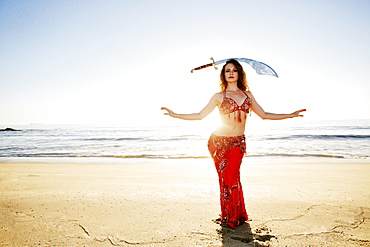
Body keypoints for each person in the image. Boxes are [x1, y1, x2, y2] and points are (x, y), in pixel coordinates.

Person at [161, 59, 306, 228]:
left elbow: (265, 114)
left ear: (239, 74)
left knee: (233, 178)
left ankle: (236, 214)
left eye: (234, 70)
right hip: (218, 143)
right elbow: (199, 115)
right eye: (227, 70)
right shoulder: (218, 96)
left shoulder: (247, 95)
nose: (231, 73)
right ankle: (230, 216)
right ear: (223, 75)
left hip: (237, 143)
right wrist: (175, 114)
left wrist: (290, 115)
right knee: (227, 180)